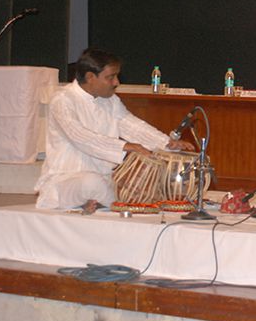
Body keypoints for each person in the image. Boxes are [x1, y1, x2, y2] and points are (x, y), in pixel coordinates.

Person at [35, 48, 193, 210]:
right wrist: (126, 147)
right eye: (110, 77)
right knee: (92, 183)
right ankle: (114, 203)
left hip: (104, 180)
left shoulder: (110, 101)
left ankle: (102, 201)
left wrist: (167, 143)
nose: (116, 82)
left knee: (133, 186)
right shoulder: (62, 99)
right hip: (66, 181)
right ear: (90, 77)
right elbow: (80, 136)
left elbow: (133, 126)